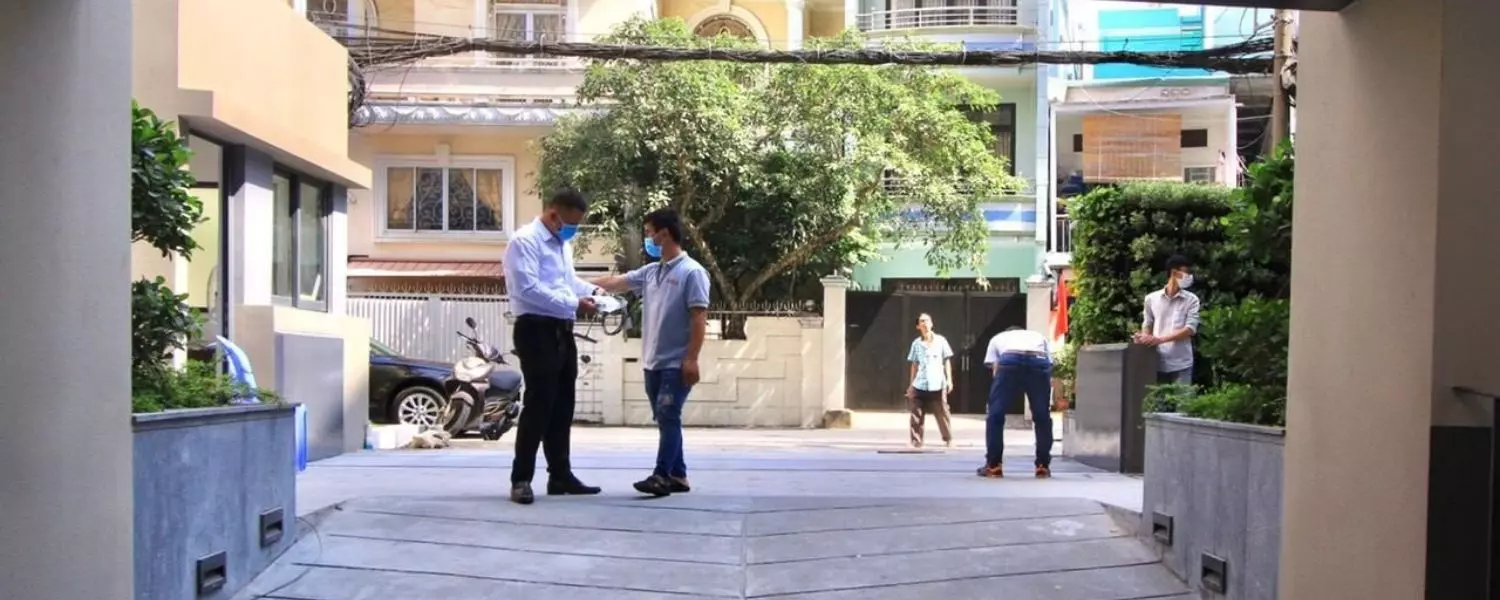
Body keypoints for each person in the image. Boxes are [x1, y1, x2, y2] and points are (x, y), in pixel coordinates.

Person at [592, 208, 710, 497]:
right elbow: (617, 282)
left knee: (669, 414)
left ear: (664, 234)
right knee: (666, 418)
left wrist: (692, 358)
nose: (647, 239)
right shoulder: (652, 272)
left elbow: (699, 317)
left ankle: (660, 476)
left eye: (648, 233)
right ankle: (678, 476)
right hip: (652, 363)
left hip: (675, 363)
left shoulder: (692, 272)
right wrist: (574, 283)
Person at [501, 189, 603, 505]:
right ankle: (521, 479)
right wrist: (574, 303)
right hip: (535, 329)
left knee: (562, 406)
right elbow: (528, 289)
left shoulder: (562, 244)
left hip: (562, 329)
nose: (571, 229)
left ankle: (560, 475)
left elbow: (567, 282)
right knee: (538, 404)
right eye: (570, 223)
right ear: (554, 214)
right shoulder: (525, 241)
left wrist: (596, 291)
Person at [978, 326, 1055, 479]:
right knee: (1041, 415)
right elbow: (1049, 363)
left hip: (1010, 361)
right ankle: (1042, 466)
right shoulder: (1038, 335)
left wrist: (998, 396)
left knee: (996, 415)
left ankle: (993, 466)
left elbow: (995, 368)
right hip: (1038, 360)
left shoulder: (998, 338)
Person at [1134, 254, 1202, 385]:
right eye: (1186, 273)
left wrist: (1159, 340)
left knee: (1182, 404)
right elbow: (1147, 324)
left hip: (1182, 362)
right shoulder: (1151, 299)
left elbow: (1190, 329)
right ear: (1174, 273)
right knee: (1159, 403)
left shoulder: (1191, 300)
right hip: (1157, 361)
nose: (1189, 277)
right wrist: (1144, 338)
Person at [905, 313, 954, 449]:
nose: (925, 324)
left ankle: (948, 439)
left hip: (938, 383)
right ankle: (916, 441)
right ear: (918, 326)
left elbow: (946, 361)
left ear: (932, 324)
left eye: (927, 321)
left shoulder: (941, 341)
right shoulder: (916, 344)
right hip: (920, 383)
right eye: (921, 322)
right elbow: (914, 364)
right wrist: (911, 385)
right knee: (916, 413)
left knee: (942, 412)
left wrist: (949, 380)